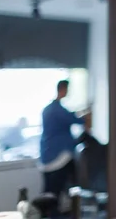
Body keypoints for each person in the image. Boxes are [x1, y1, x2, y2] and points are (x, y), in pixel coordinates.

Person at [39, 79, 91, 209]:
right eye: (66, 90)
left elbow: (69, 116)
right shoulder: (58, 111)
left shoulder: (48, 109)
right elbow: (76, 120)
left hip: (47, 155)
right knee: (59, 191)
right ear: (62, 89)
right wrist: (87, 115)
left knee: (49, 191)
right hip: (58, 157)